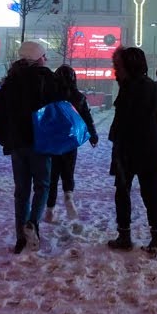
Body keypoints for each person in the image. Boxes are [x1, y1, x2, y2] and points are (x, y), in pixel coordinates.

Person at [0, 41, 60, 255]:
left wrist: (6, 139)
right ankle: (33, 223)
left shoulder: (10, 82)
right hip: (41, 143)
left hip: (17, 146)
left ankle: (21, 237)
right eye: (44, 56)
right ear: (39, 58)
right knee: (43, 186)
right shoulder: (48, 80)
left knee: (21, 192)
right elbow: (59, 111)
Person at [108, 46, 157, 253]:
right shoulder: (152, 86)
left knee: (122, 192)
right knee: (151, 194)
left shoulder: (128, 87)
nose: (116, 70)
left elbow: (123, 119)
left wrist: (115, 134)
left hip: (127, 149)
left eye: (119, 65)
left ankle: (124, 235)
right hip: (150, 148)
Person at [43, 65, 99, 223]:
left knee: (52, 177)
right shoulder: (78, 97)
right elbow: (87, 118)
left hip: (52, 143)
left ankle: (50, 210)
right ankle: (68, 195)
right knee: (68, 172)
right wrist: (93, 136)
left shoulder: (48, 96)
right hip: (70, 142)